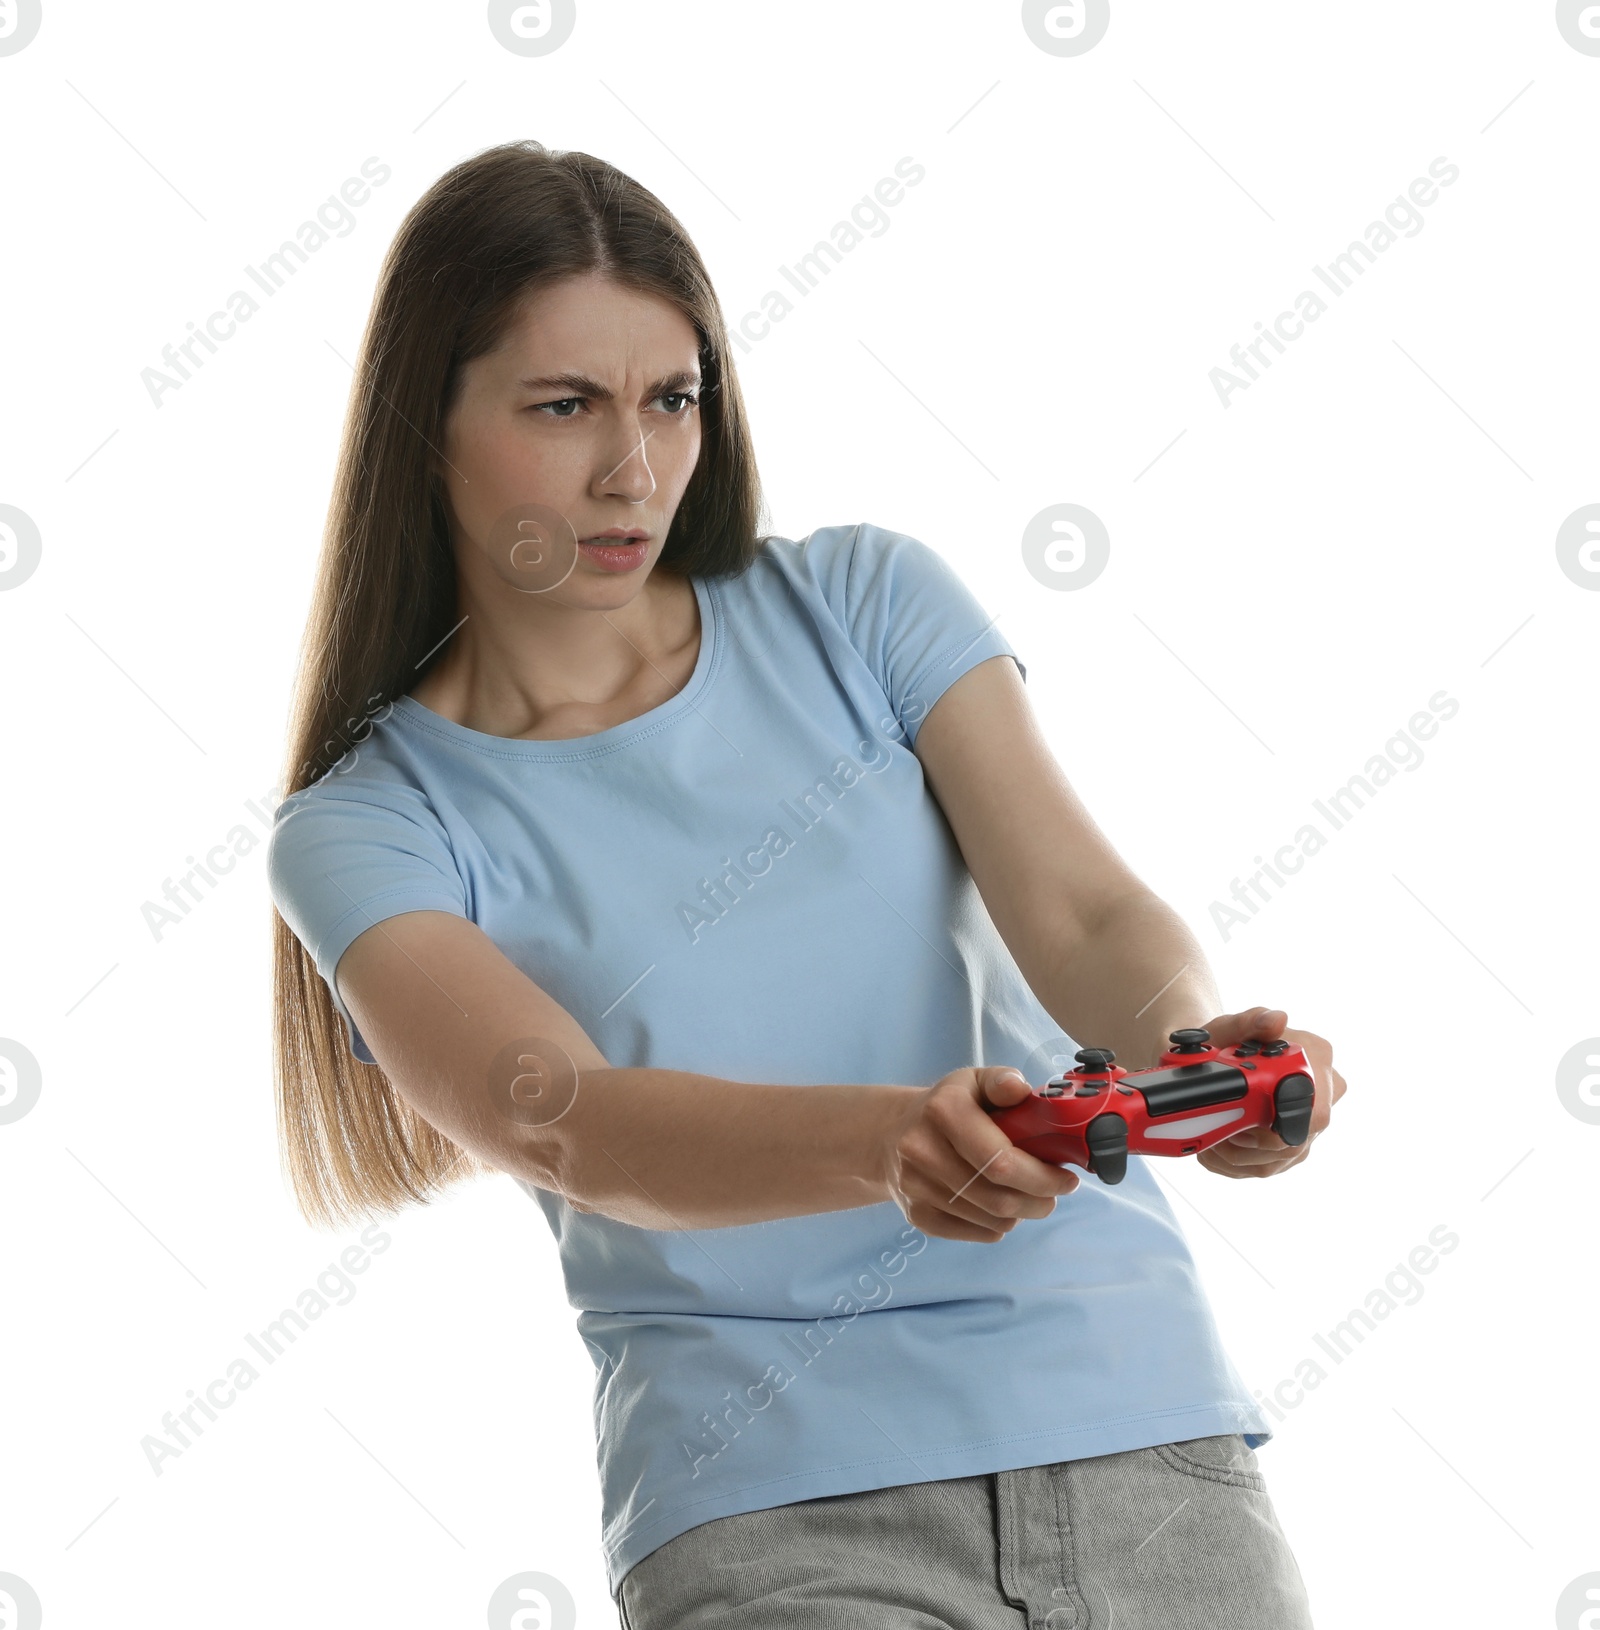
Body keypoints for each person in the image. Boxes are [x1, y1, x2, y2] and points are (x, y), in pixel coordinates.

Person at [266, 139, 1346, 1629]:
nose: (631, 467)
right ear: (425, 422)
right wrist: (895, 1141)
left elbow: (1087, 914)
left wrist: (1189, 1042)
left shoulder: (865, 602)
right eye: (563, 404)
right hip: (769, 1496)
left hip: (1129, 1412)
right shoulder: (368, 827)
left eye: (671, 399)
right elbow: (576, 1124)